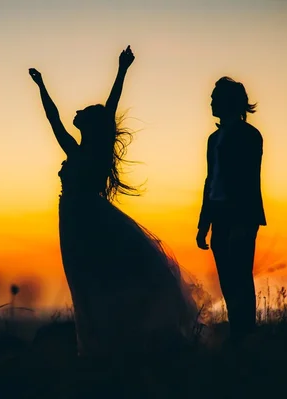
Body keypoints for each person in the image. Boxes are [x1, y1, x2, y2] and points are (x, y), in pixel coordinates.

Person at [29, 46, 198, 357]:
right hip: (74, 221)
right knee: (84, 282)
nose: (76, 113)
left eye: (83, 112)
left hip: (88, 221)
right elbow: (54, 118)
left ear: (92, 125)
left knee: (94, 279)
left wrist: (122, 70)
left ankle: (109, 345)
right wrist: (41, 86)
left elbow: (109, 106)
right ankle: (98, 344)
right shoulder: (76, 150)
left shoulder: (92, 154)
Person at [196, 77, 266, 343]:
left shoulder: (250, 136)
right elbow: (209, 182)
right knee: (227, 280)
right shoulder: (213, 139)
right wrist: (204, 224)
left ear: (229, 102)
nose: (211, 101)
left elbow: (248, 181)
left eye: (215, 97)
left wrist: (242, 224)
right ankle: (239, 334)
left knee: (241, 278)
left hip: (241, 218)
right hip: (220, 217)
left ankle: (246, 334)